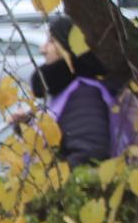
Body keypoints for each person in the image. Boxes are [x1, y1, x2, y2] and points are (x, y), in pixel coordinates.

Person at [35, 16, 119, 166]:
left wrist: (54, 183)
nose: (42, 49)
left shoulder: (84, 96)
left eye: (52, 41)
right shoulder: (74, 91)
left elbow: (89, 156)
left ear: (70, 47)